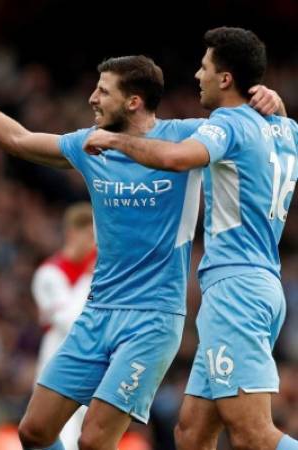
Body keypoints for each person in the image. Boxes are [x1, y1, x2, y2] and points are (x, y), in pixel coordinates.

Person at [0, 55, 281, 450]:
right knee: (33, 431)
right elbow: (17, 138)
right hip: (97, 312)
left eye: (103, 91)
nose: (92, 99)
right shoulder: (90, 145)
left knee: (95, 440)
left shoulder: (187, 138)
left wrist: (272, 101)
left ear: (133, 101)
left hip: (152, 320)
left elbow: (249, 130)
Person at [82, 27, 298, 450]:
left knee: (254, 435)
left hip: (236, 289)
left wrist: (115, 140)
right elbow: (277, 122)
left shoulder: (229, 123)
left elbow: (179, 159)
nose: (197, 75)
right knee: (192, 433)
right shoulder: (285, 129)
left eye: (204, 67)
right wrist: (276, 101)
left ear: (225, 78)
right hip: (258, 284)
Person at [31, 202, 95, 449]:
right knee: (61, 438)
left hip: (92, 362)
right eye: (90, 236)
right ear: (72, 233)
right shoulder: (47, 274)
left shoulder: (97, 268)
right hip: (56, 361)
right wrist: (90, 278)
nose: (94, 244)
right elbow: (71, 323)